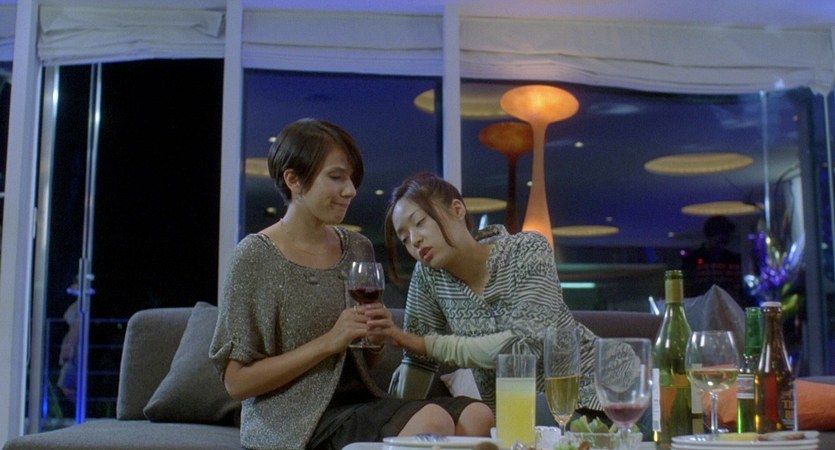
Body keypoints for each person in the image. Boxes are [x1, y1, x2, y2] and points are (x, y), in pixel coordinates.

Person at [209, 119, 493, 450]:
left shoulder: (357, 248)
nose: (351, 190)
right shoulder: (255, 257)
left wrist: (374, 339)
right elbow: (237, 383)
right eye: (336, 177)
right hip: (295, 420)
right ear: (293, 180)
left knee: (478, 415)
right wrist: (329, 342)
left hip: (361, 403)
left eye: (351, 179)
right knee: (433, 421)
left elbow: (363, 363)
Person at [381, 172, 603, 415]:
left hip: (593, 394)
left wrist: (429, 345)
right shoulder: (429, 276)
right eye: (404, 238)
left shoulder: (526, 249)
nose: (414, 240)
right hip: (515, 419)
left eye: (420, 222)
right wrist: (394, 423)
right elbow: (417, 360)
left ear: (457, 210)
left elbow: (526, 344)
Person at [680, 215, 753, 308]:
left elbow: (740, 289)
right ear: (711, 235)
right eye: (723, 234)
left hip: (730, 308)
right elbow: (687, 289)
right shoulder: (692, 260)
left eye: (727, 234)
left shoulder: (733, 259)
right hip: (701, 308)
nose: (727, 238)